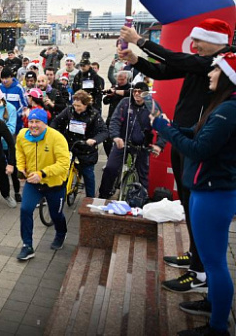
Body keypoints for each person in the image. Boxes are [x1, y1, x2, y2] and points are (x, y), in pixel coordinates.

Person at [119, 19, 233, 291]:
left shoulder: (220, 63)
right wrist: (135, 59)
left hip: (196, 142)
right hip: (182, 136)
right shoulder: (202, 63)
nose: (194, 46)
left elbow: (174, 57)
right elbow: (162, 71)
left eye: (199, 41)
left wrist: (141, 41)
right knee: (187, 202)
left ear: (218, 43)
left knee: (196, 206)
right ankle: (196, 257)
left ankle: (200, 271)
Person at [151, 53, 236, 336]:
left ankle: (218, 327)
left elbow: (198, 149)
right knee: (213, 260)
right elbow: (198, 132)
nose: (209, 75)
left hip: (214, 194)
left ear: (226, 77)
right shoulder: (223, 106)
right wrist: (172, 126)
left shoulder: (229, 110)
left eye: (215, 71)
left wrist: (166, 129)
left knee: (214, 262)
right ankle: (214, 305)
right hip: (208, 191)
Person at [15, 108, 71, 260]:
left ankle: (60, 234)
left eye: (37, 122)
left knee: (56, 214)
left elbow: (64, 164)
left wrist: (42, 173)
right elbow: (19, 152)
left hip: (54, 184)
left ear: (45, 124)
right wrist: (21, 168)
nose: (33, 125)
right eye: (31, 122)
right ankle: (27, 245)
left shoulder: (57, 138)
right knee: (25, 210)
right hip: (33, 183)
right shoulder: (22, 135)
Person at [98, 83, 164, 198]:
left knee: (142, 174)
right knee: (110, 168)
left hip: (142, 145)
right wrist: (116, 136)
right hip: (122, 142)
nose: (137, 94)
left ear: (146, 94)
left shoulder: (152, 106)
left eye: (140, 91)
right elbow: (115, 120)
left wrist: (159, 145)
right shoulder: (125, 102)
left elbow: (163, 127)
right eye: (135, 91)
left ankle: (141, 201)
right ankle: (103, 195)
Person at [50, 91, 108, 198]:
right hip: (70, 145)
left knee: (88, 175)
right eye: (75, 105)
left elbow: (104, 131)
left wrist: (94, 140)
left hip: (86, 149)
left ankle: (90, 199)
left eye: (79, 106)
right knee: (61, 169)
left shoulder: (94, 114)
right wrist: (55, 134)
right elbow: (56, 121)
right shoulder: (69, 110)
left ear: (86, 105)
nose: (76, 108)